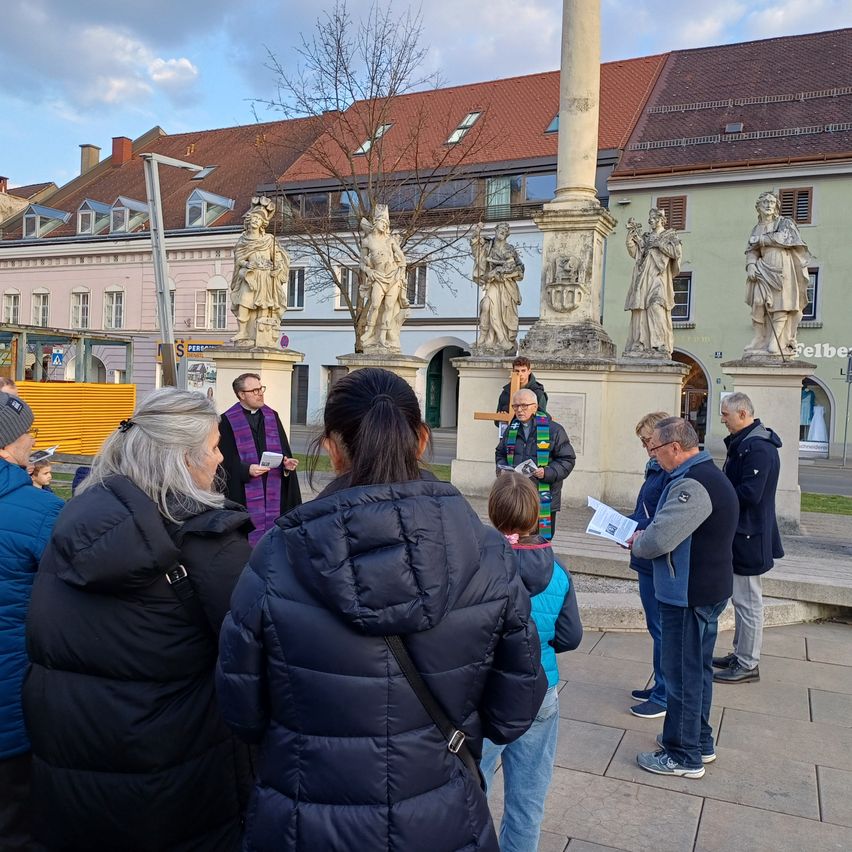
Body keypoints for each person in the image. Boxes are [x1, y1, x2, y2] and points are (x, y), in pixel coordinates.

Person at [217, 367, 547, 852]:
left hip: (304, 821)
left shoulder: (275, 558)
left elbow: (242, 711)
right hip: (440, 817)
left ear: (331, 446)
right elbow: (513, 711)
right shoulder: (488, 554)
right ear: (421, 440)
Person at [23, 389, 254, 851]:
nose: (220, 458)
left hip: (72, 768)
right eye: (212, 447)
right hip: (179, 776)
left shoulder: (74, 520)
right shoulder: (208, 545)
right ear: (182, 460)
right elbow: (256, 660)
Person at [629, 418, 738, 779]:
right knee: (695, 672)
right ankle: (697, 741)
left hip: (689, 594)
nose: (654, 456)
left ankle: (683, 755)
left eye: (657, 450)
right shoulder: (703, 474)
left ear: (676, 447)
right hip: (701, 589)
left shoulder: (693, 484)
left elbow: (660, 539)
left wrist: (637, 542)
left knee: (682, 675)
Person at [480, 474, 582, 852]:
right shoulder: (558, 571)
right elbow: (570, 637)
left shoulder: (480, 565)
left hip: (488, 692)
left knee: (473, 789)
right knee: (528, 799)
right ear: (535, 516)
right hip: (540, 690)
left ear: (493, 513)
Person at [0, 392, 62, 850]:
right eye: (29, 434)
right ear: (9, 444)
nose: (33, 441)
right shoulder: (40, 511)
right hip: (12, 696)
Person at [713, 392, 783, 685]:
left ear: (742, 414)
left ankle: (747, 663)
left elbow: (750, 494)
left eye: (726, 415)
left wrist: (717, 498)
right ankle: (740, 653)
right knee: (742, 599)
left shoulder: (757, 448)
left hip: (749, 534)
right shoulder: (748, 443)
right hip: (745, 532)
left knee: (749, 601)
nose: (722, 420)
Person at [218, 372, 301, 546]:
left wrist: (286, 465)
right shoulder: (227, 421)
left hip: (274, 492)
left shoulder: (272, 416)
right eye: (254, 390)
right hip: (244, 494)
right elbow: (223, 462)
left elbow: (283, 453)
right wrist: (245, 470)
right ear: (241, 395)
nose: (260, 393)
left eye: (261, 388)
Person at [626, 411, 671, 720]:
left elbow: (663, 518)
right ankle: (660, 684)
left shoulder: (667, 471)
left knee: (663, 629)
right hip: (645, 556)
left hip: (655, 557)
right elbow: (644, 510)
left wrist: (635, 529)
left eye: (647, 441)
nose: (644, 447)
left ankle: (665, 693)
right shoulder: (654, 468)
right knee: (656, 628)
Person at [496, 388, 576, 539]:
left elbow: (567, 459)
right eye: (515, 406)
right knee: (516, 539)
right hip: (517, 496)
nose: (519, 410)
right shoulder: (511, 429)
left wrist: (547, 472)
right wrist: (502, 470)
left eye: (524, 406)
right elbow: (500, 453)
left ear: (535, 406)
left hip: (543, 496)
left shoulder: (554, 430)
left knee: (540, 542)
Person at [744, 190, 810, 357]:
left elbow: (786, 238)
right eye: (764, 202)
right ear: (758, 207)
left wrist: (761, 240)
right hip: (762, 267)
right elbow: (752, 251)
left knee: (781, 305)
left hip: (783, 267)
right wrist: (751, 264)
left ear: (776, 207)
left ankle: (775, 341)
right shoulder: (756, 228)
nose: (768, 205)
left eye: (772, 203)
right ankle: (759, 338)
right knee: (758, 302)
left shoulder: (784, 222)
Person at [230, 195, 289, 348]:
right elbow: (239, 258)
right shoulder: (243, 241)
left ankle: (262, 333)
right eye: (253, 219)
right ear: (248, 221)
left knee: (264, 305)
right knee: (244, 301)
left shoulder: (269, 239)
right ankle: (242, 331)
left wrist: (278, 266)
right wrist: (245, 264)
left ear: (263, 223)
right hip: (250, 276)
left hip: (265, 276)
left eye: (258, 219)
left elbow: (277, 256)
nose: (255, 221)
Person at [623, 208, 682, 358]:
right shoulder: (646, 237)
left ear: (661, 219)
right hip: (643, 277)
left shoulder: (670, 236)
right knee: (640, 309)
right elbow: (636, 253)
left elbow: (676, 253)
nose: (651, 221)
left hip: (659, 277)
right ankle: (640, 343)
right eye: (650, 218)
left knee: (656, 306)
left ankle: (659, 344)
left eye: (654, 218)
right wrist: (631, 240)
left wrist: (660, 245)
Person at [470, 221, 525, 353]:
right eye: (501, 229)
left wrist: (506, 273)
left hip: (506, 286)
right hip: (492, 284)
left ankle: (500, 339)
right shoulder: (488, 246)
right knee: (486, 306)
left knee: (501, 312)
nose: (503, 232)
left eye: (505, 231)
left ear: (507, 235)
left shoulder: (510, 249)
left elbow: (520, 268)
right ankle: (484, 338)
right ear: (495, 230)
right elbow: (475, 245)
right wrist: (477, 230)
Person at [359, 204, 408, 350]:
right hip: (378, 276)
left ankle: (382, 336)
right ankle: (369, 331)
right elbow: (361, 263)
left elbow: (402, 258)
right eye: (382, 222)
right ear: (376, 222)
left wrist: (401, 269)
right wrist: (369, 271)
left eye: (387, 224)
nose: (384, 226)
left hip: (393, 277)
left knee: (389, 306)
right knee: (375, 304)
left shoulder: (390, 240)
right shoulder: (367, 241)